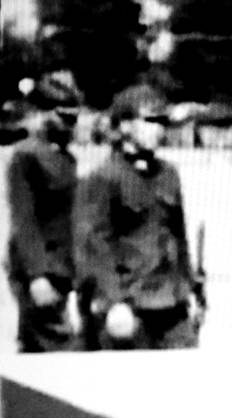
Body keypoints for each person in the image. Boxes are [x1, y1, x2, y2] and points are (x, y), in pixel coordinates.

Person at [74, 84, 201, 350]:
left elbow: (178, 238)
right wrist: (114, 301)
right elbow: (94, 247)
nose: (159, 129)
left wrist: (191, 288)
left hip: (171, 303)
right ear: (125, 126)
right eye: (150, 121)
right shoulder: (103, 178)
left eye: (162, 122)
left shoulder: (168, 174)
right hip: (129, 305)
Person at [4, 71, 83, 353]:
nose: (71, 124)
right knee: (61, 348)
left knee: (37, 350)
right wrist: (37, 275)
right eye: (64, 117)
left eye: (74, 117)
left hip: (61, 267)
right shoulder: (26, 156)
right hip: (40, 268)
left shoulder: (66, 157)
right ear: (44, 113)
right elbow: (24, 220)